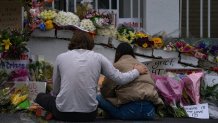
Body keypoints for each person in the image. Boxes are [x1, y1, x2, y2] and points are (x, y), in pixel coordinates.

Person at [34, 30, 147, 122]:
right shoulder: (99, 57)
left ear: (72, 42)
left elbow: (56, 91)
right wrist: (136, 71)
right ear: (91, 43)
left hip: (63, 113)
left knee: (41, 96)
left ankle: (50, 113)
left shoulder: (61, 57)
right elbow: (121, 79)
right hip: (89, 115)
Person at [97, 42, 164, 120]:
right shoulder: (144, 66)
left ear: (117, 54)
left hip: (130, 112)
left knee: (97, 98)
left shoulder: (117, 65)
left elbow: (106, 91)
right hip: (149, 112)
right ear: (132, 53)